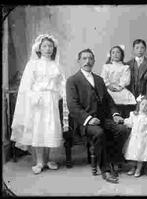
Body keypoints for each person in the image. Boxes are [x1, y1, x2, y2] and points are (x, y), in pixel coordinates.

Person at [66, 48, 129, 184]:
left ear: (94, 61)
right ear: (79, 61)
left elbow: (108, 100)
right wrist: (88, 119)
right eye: (84, 58)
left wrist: (115, 114)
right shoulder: (72, 81)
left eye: (90, 59)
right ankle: (105, 170)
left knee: (122, 129)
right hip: (85, 123)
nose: (87, 61)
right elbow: (73, 106)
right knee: (99, 133)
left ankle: (113, 159)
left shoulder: (99, 80)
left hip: (103, 118)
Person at [11, 34, 67, 174]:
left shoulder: (56, 65)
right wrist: (34, 96)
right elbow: (26, 85)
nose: (48, 49)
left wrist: (60, 95)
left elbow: (62, 84)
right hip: (37, 101)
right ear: (39, 48)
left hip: (51, 100)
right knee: (39, 129)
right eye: (45, 46)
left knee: (49, 130)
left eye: (50, 46)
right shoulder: (33, 64)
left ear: (54, 49)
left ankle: (48, 159)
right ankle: (40, 162)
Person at [101, 45, 136, 118]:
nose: (115, 54)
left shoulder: (125, 67)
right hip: (109, 88)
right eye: (113, 53)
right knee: (107, 98)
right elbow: (103, 78)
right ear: (110, 55)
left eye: (118, 52)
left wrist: (120, 87)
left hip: (120, 88)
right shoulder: (106, 67)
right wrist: (108, 86)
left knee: (126, 98)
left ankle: (124, 117)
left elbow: (125, 79)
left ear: (122, 55)